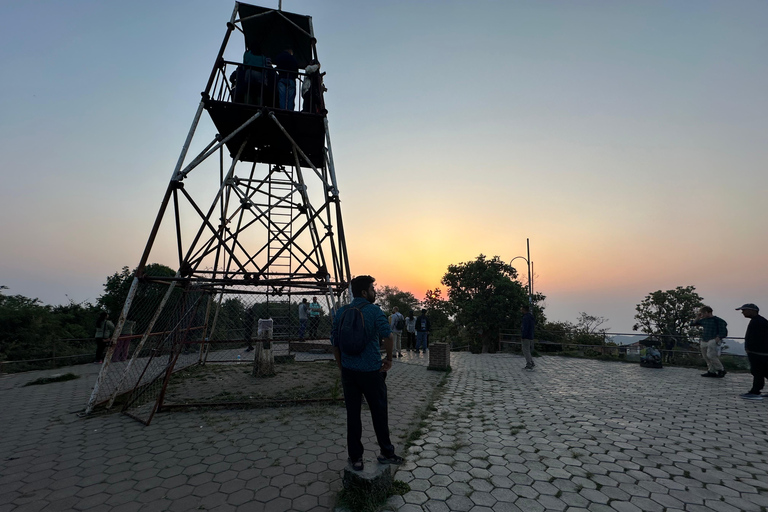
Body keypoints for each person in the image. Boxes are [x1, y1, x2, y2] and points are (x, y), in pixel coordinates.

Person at [330, 275, 404, 471]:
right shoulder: (374, 311)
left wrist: (342, 367)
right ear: (364, 292)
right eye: (372, 288)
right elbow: (388, 336)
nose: (375, 291)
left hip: (349, 373)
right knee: (379, 413)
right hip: (372, 372)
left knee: (353, 415)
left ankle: (356, 458)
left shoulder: (341, 312)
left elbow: (335, 344)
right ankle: (386, 452)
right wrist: (389, 359)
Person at [736, 303, 768, 401]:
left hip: (758, 352)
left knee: (758, 371)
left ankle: (755, 391)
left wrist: (751, 347)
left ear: (752, 311)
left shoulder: (758, 322)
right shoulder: (759, 321)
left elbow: (757, 337)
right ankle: (756, 389)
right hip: (759, 351)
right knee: (763, 371)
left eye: (744, 310)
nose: (742, 312)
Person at [690, 306, 728, 378]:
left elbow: (724, 330)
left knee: (711, 355)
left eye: (703, 313)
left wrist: (718, 338)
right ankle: (711, 371)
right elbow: (693, 324)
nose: (702, 315)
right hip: (704, 339)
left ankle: (721, 369)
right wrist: (698, 317)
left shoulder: (718, 320)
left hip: (712, 339)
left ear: (708, 312)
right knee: (706, 356)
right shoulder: (704, 320)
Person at [521, 305, 535, 370]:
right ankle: (531, 362)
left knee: (525, 350)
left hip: (526, 336)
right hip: (530, 335)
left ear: (524, 309)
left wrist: (523, 335)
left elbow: (525, 328)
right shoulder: (531, 317)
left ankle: (529, 363)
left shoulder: (525, 317)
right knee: (528, 350)